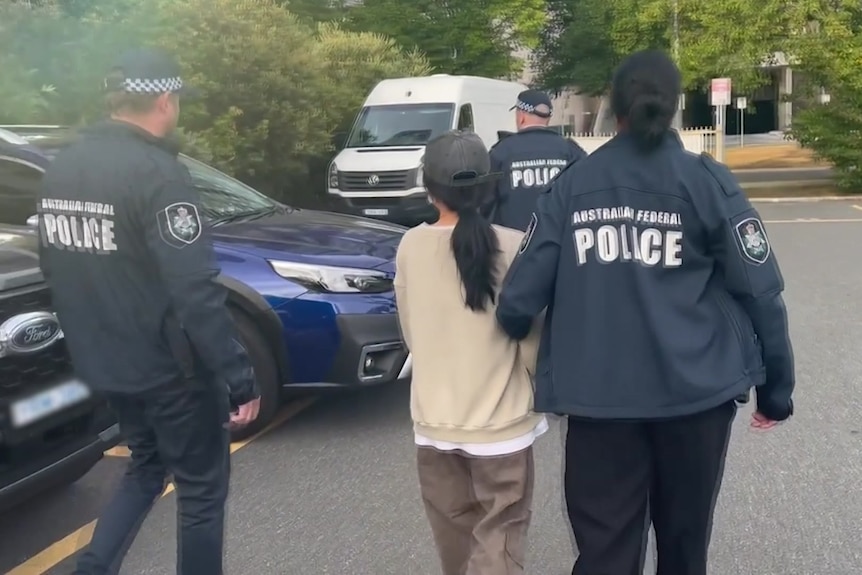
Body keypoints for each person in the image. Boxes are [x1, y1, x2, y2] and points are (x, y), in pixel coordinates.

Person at [495, 50, 795, 575]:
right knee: (684, 544)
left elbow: (519, 298)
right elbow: (760, 291)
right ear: (675, 106)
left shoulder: (572, 187)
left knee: (606, 549)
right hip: (695, 398)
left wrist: (516, 333)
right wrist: (777, 391)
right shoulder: (708, 182)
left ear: (616, 108)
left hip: (598, 402)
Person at [37, 48, 260, 575]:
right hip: (172, 372)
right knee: (202, 492)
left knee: (145, 466)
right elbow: (194, 288)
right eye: (178, 98)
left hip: (109, 364)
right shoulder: (159, 175)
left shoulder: (62, 167)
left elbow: (54, 267)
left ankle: (92, 569)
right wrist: (239, 375)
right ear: (164, 99)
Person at [394, 130, 547, 575]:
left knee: (455, 544)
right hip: (502, 426)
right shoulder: (515, 244)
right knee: (499, 538)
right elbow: (531, 340)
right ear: (488, 187)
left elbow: (410, 331)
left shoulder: (409, 246)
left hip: (434, 423)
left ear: (429, 186)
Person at [483, 89, 586, 231]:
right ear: (548, 118)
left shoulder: (501, 152)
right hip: (559, 243)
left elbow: (484, 203)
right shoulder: (570, 150)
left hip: (515, 245)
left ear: (521, 116)